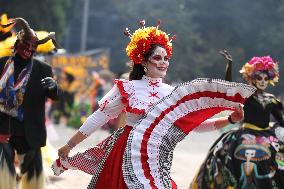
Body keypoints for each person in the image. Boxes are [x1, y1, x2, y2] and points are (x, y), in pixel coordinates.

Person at [52, 20, 255, 189]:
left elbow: (194, 127)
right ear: (143, 61)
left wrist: (229, 119)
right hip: (125, 152)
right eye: (157, 58)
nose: (163, 62)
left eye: (166, 58)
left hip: (156, 155)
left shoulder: (172, 93)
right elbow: (100, 116)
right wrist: (70, 144)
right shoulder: (130, 88)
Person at [190, 51, 284, 189]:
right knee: (219, 154)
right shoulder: (246, 96)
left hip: (267, 135)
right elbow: (228, 88)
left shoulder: (272, 100)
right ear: (252, 78)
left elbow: (281, 121)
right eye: (259, 77)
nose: (263, 81)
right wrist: (229, 66)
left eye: (265, 78)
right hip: (245, 133)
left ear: (270, 79)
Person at [0, 18, 60, 189]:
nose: (29, 49)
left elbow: (54, 96)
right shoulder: (1, 63)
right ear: (18, 42)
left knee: (33, 175)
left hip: (30, 131)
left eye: (33, 47)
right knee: (3, 171)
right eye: (26, 44)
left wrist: (55, 87)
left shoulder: (43, 69)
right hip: (4, 127)